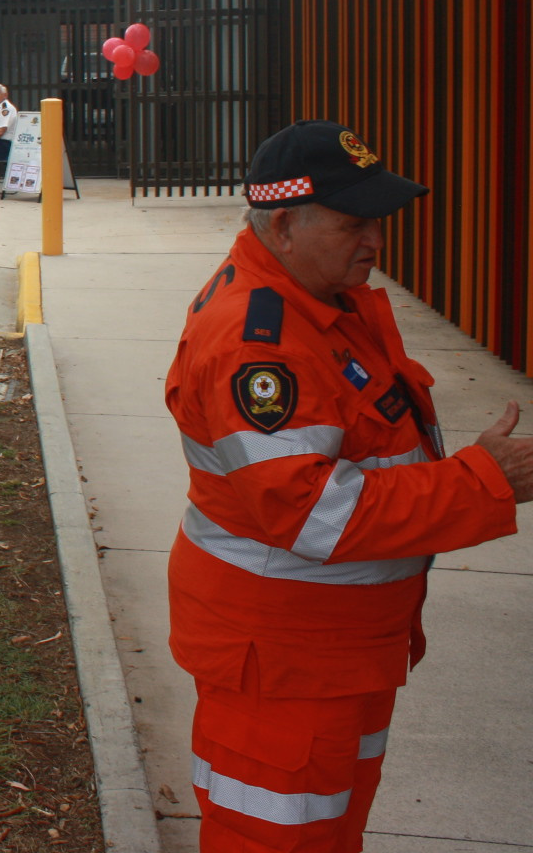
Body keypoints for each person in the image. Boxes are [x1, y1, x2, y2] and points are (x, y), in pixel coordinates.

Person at [166, 120, 533, 851]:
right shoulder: (258, 344)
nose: (375, 241)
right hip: (284, 663)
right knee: (275, 838)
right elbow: (314, 515)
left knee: (328, 832)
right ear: (283, 226)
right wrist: (482, 481)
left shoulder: (326, 302)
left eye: (378, 221)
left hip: (332, 654)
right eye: (353, 223)